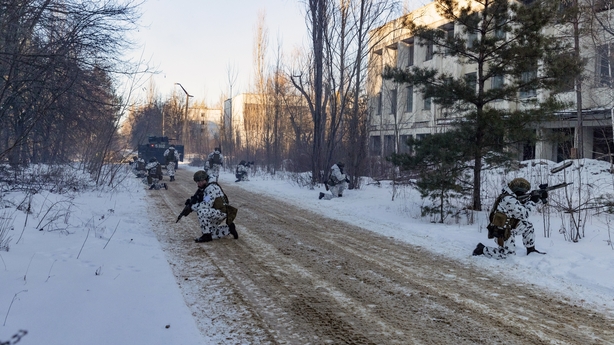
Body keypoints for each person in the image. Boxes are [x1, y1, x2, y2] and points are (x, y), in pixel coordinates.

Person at [473, 177, 546, 259]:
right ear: (518, 190)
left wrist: (540, 199)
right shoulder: (508, 199)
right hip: (502, 231)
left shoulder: (511, 196)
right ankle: (482, 249)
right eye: (524, 192)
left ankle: (531, 250)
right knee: (508, 256)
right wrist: (533, 201)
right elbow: (524, 214)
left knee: (528, 226)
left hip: (510, 226)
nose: (525, 193)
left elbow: (522, 205)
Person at [190, 170, 238, 242]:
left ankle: (206, 236)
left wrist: (192, 207)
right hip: (218, 211)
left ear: (205, 180)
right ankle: (229, 229)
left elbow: (207, 204)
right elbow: (207, 199)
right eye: (197, 182)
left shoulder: (211, 188)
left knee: (201, 211)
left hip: (220, 212)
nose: (198, 183)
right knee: (211, 232)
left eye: (200, 181)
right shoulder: (209, 187)